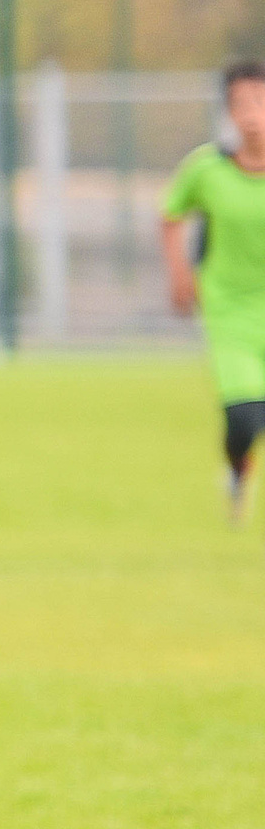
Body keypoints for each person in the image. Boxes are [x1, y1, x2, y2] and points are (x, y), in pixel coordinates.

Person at [161, 60, 265, 523]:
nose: (252, 114)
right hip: (229, 309)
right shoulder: (206, 170)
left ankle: (238, 472)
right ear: (228, 112)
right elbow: (171, 216)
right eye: (241, 104)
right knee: (247, 417)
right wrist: (181, 275)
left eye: (261, 102)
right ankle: (237, 472)